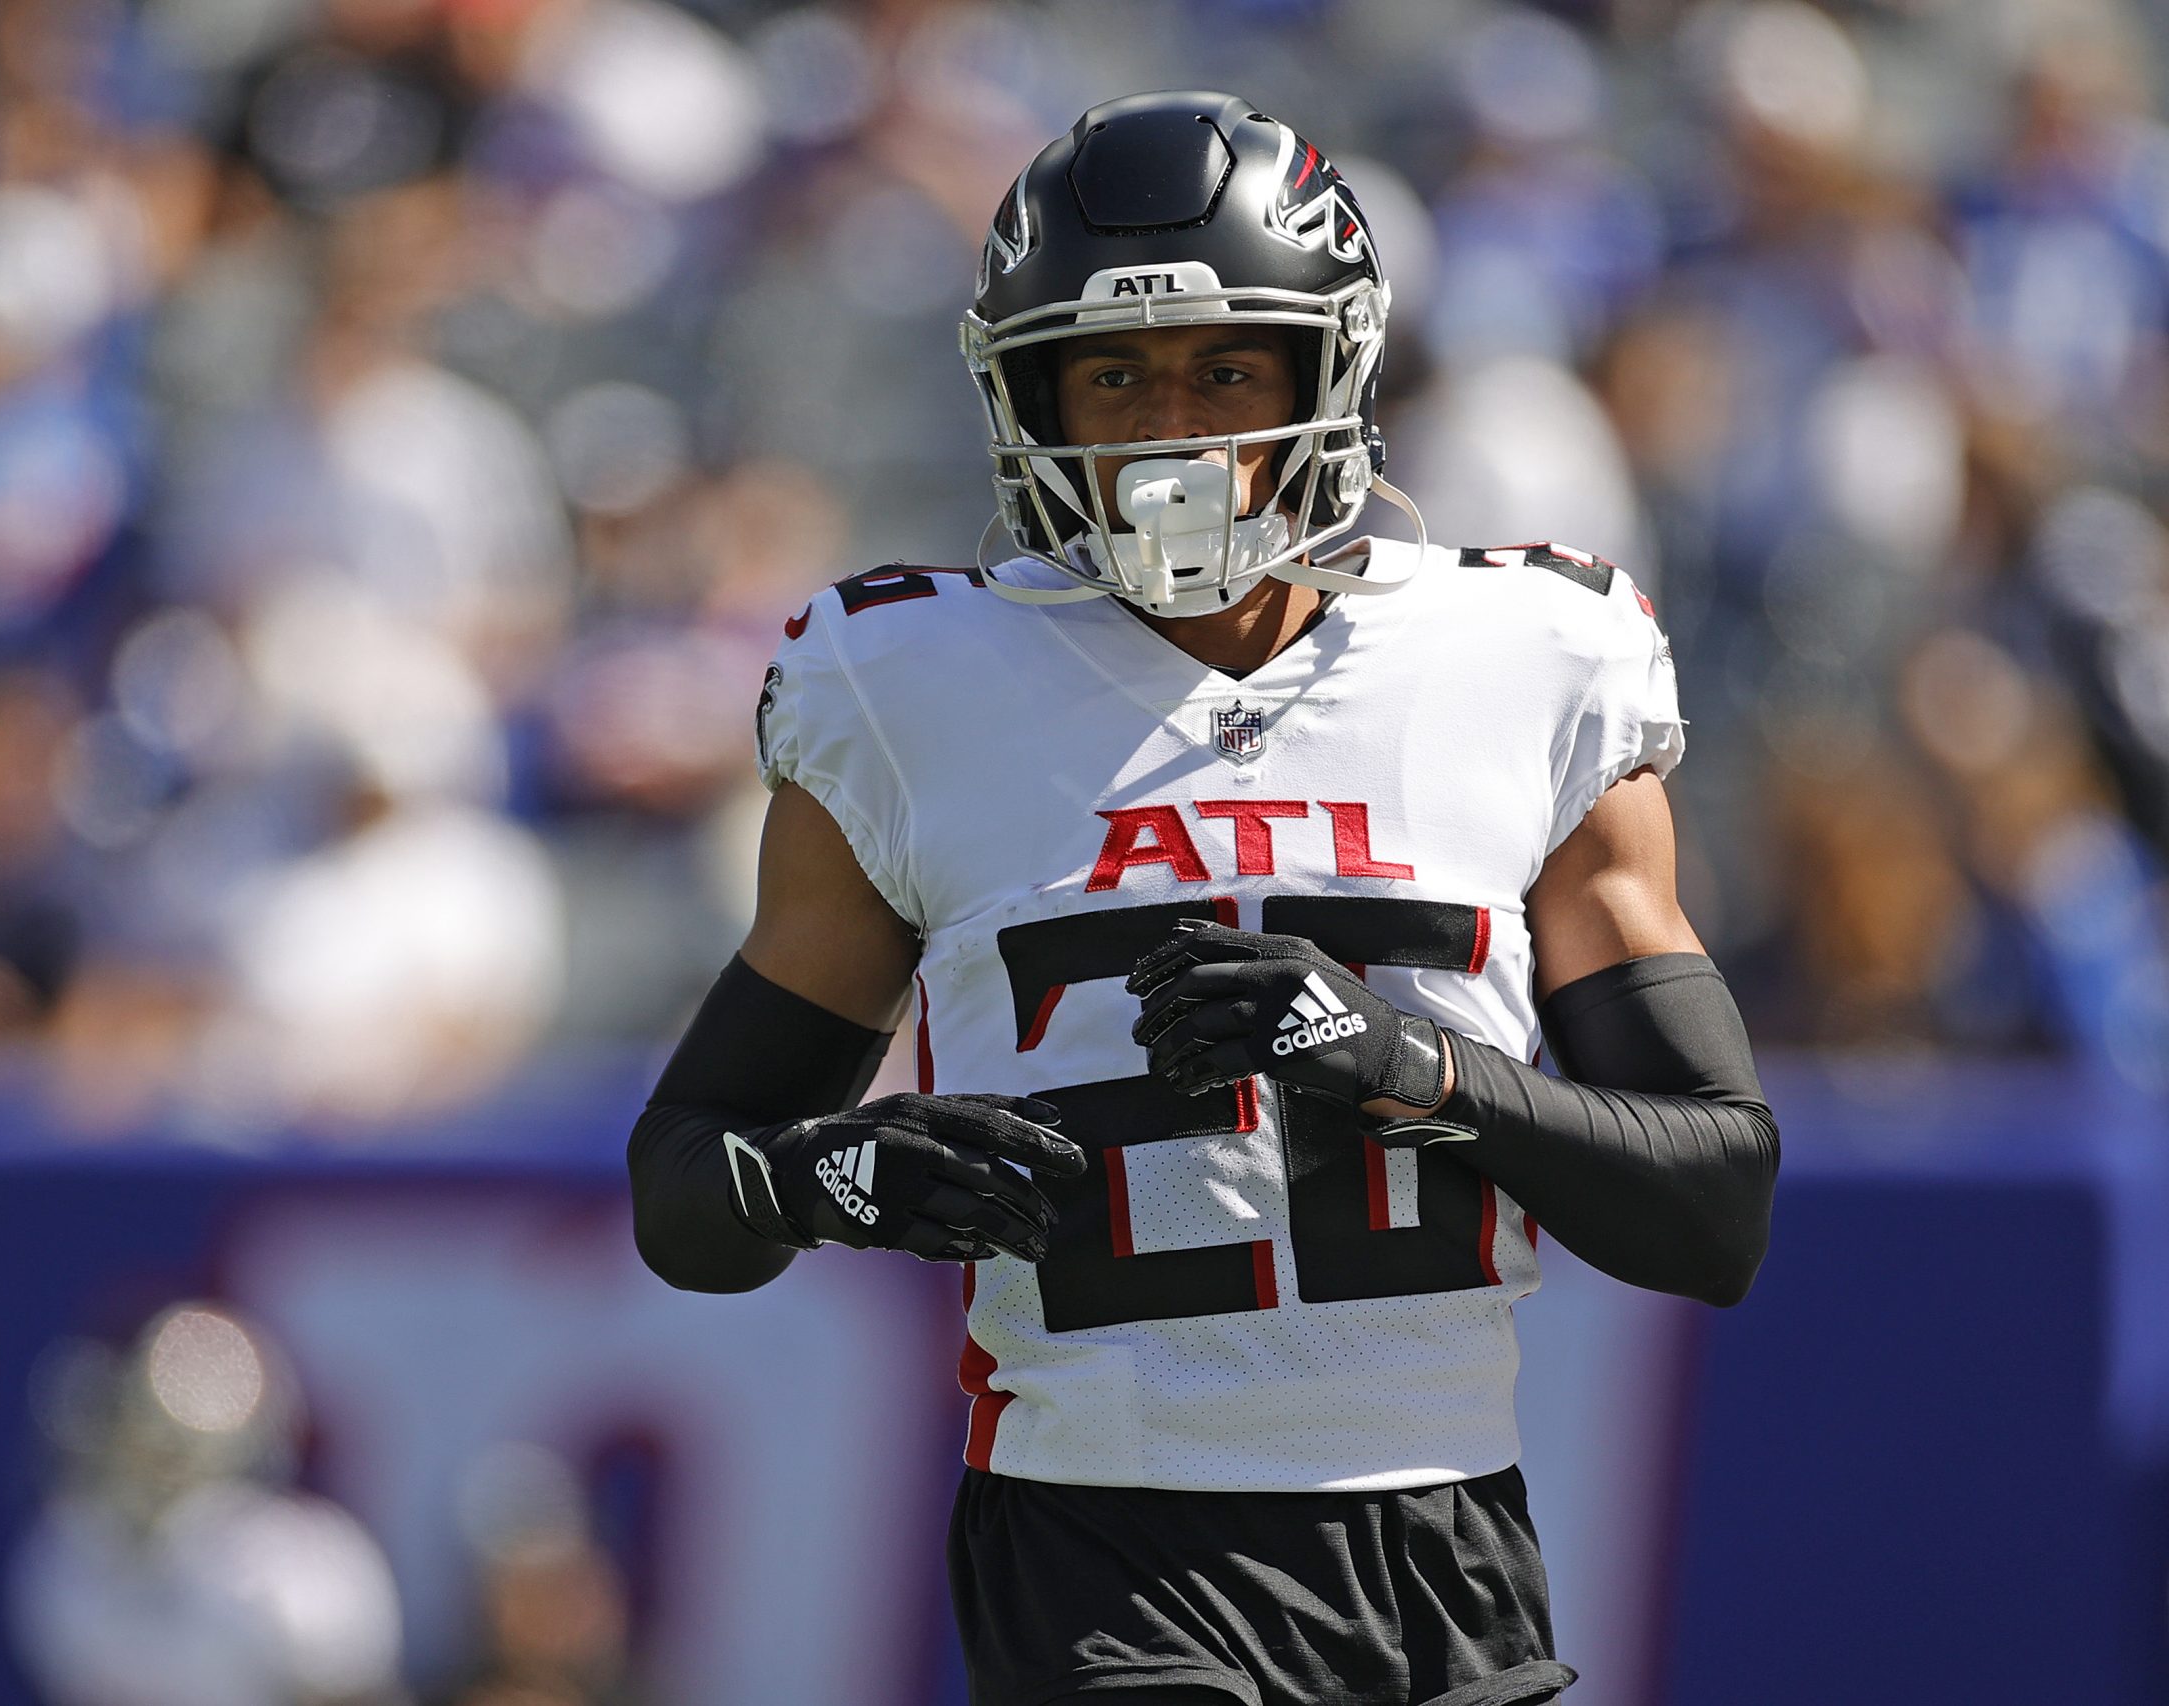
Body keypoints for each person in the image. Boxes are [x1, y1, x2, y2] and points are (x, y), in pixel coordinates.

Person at [628, 90, 1778, 1706]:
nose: (1170, 431)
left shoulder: (1530, 658)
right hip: (1098, 1541)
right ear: (1030, 394)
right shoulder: (908, 685)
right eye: (1113, 376)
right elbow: (684, 1186)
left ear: (1331, 374)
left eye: (1226, 369)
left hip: (1440, 1535)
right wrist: (831, 1175)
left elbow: (1714, 1203)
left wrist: (1403, 1064)